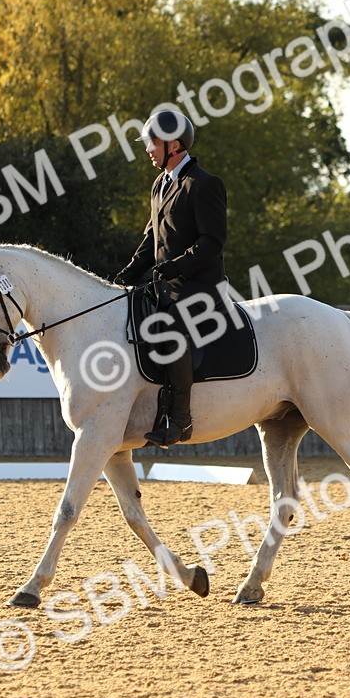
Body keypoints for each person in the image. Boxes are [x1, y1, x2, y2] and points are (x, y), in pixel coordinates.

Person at [113, 109, 228, 446]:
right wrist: (127, 274)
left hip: (198, 289)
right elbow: (152, 239)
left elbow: (212, 243)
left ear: (174, 144)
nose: (148, 149)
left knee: (174, 330)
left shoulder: (204, 184)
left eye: (152, 142)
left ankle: (179, 420)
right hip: (166, 286)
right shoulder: (160, 184)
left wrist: (175, 267)